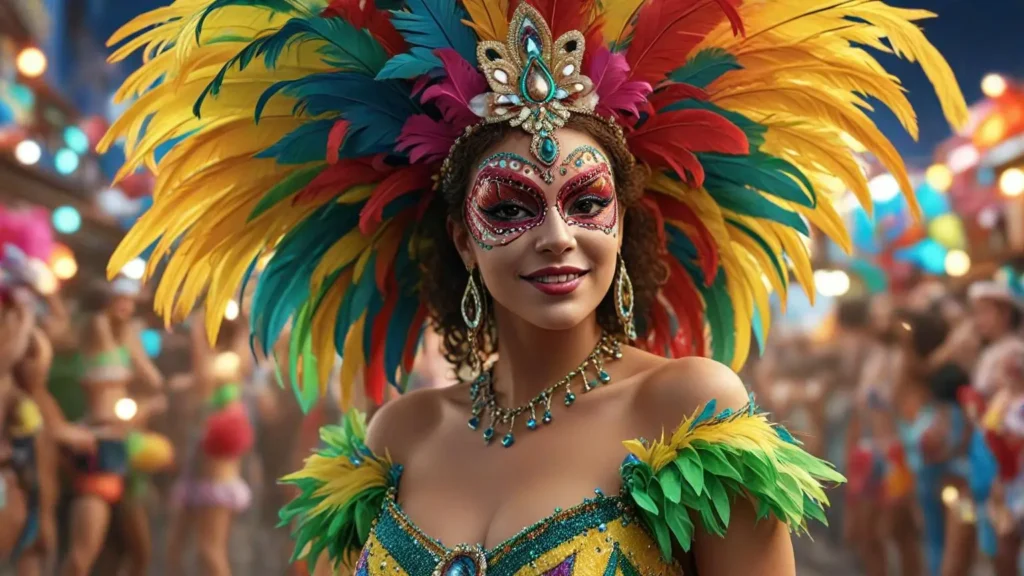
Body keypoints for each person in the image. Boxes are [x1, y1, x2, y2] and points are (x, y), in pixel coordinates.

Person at [104, 0, 965, 573]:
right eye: (511, 206)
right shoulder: (400, 433)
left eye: (588, 202)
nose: (560, 236)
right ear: (461, 239)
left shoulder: (687, 408)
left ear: (624, 223)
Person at [59, 278, 168, 576]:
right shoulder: (94, 327)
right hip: (99, 445)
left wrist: (133, 341)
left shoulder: (123, 337)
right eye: (120, 298)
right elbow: (97, 320)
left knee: (138, 550)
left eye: (131, 301)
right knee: (84, 551)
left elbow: (155, 381)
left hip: (123, 445)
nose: (127, 305)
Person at [166, 314, 256, 576]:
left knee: (209, 549)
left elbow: (205, 370)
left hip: (218, 470)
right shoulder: (206, 374)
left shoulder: (227, 365)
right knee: (176, 547)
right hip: (198, 466)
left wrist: (200, 327)